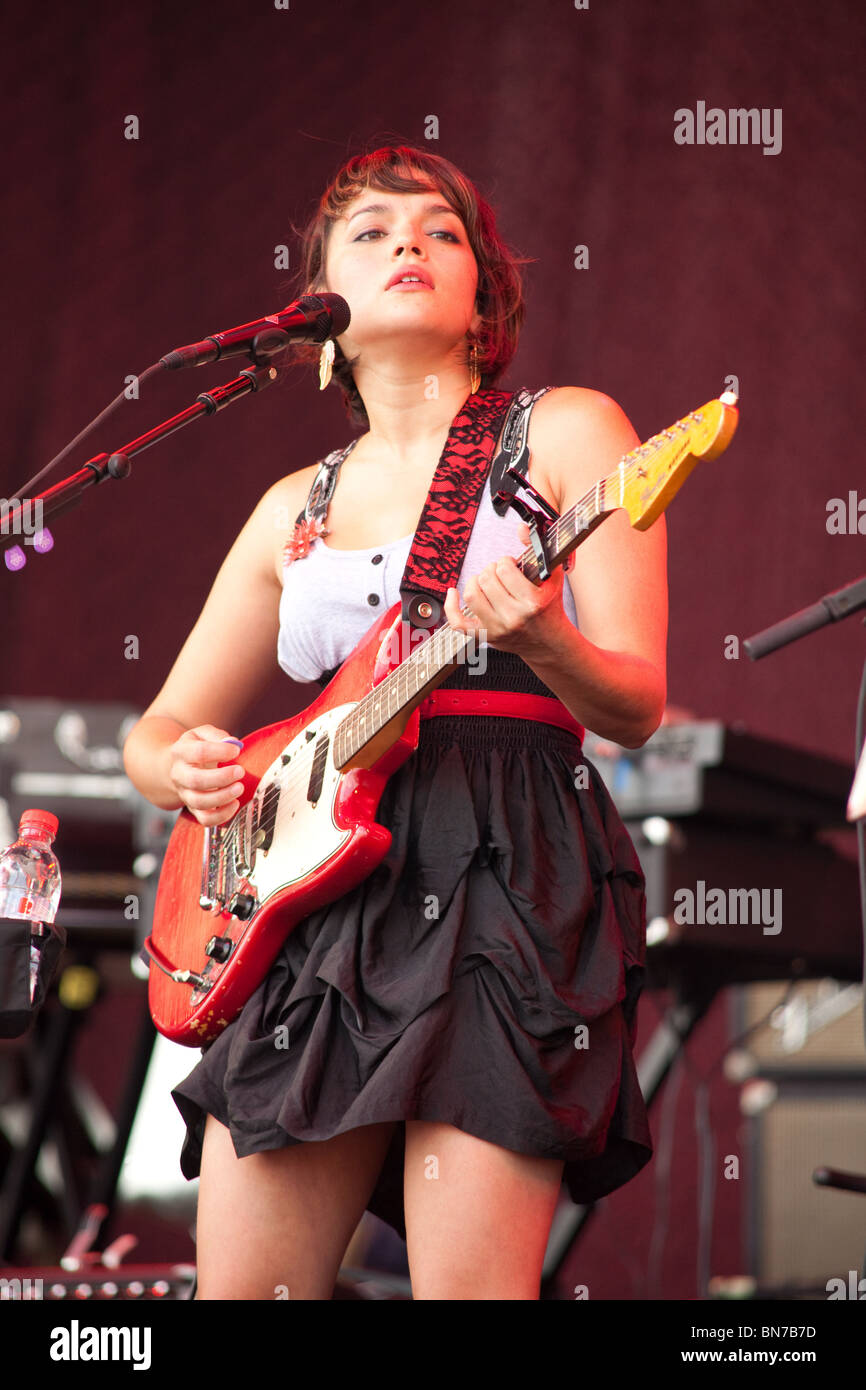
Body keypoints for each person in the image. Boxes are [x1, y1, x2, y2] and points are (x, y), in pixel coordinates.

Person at [122, 143, 667, 1301]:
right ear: (318, 307)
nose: (404, 245)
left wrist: (542, 639)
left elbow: (637, 704)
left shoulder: (566, 433)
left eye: (437, 231)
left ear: (486, 292)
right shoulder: (293, 507)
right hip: (312, 909)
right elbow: (156, 729)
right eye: (367, 234)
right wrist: (195, 769)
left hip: (504, 865)